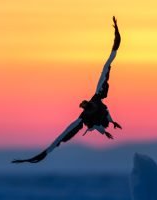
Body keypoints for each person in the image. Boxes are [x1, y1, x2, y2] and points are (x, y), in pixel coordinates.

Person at [12, 16, 122, 163]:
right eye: (85, 105)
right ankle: (107, 127)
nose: (86, 105)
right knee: (91, 127)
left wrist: (116, 36)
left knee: (104, 70)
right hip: (97, 124)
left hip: (104, 117)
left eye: (85, 104)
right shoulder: (83, 118)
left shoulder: (97, 96)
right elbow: (56, 142)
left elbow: (109, 60)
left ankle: (110, 123)